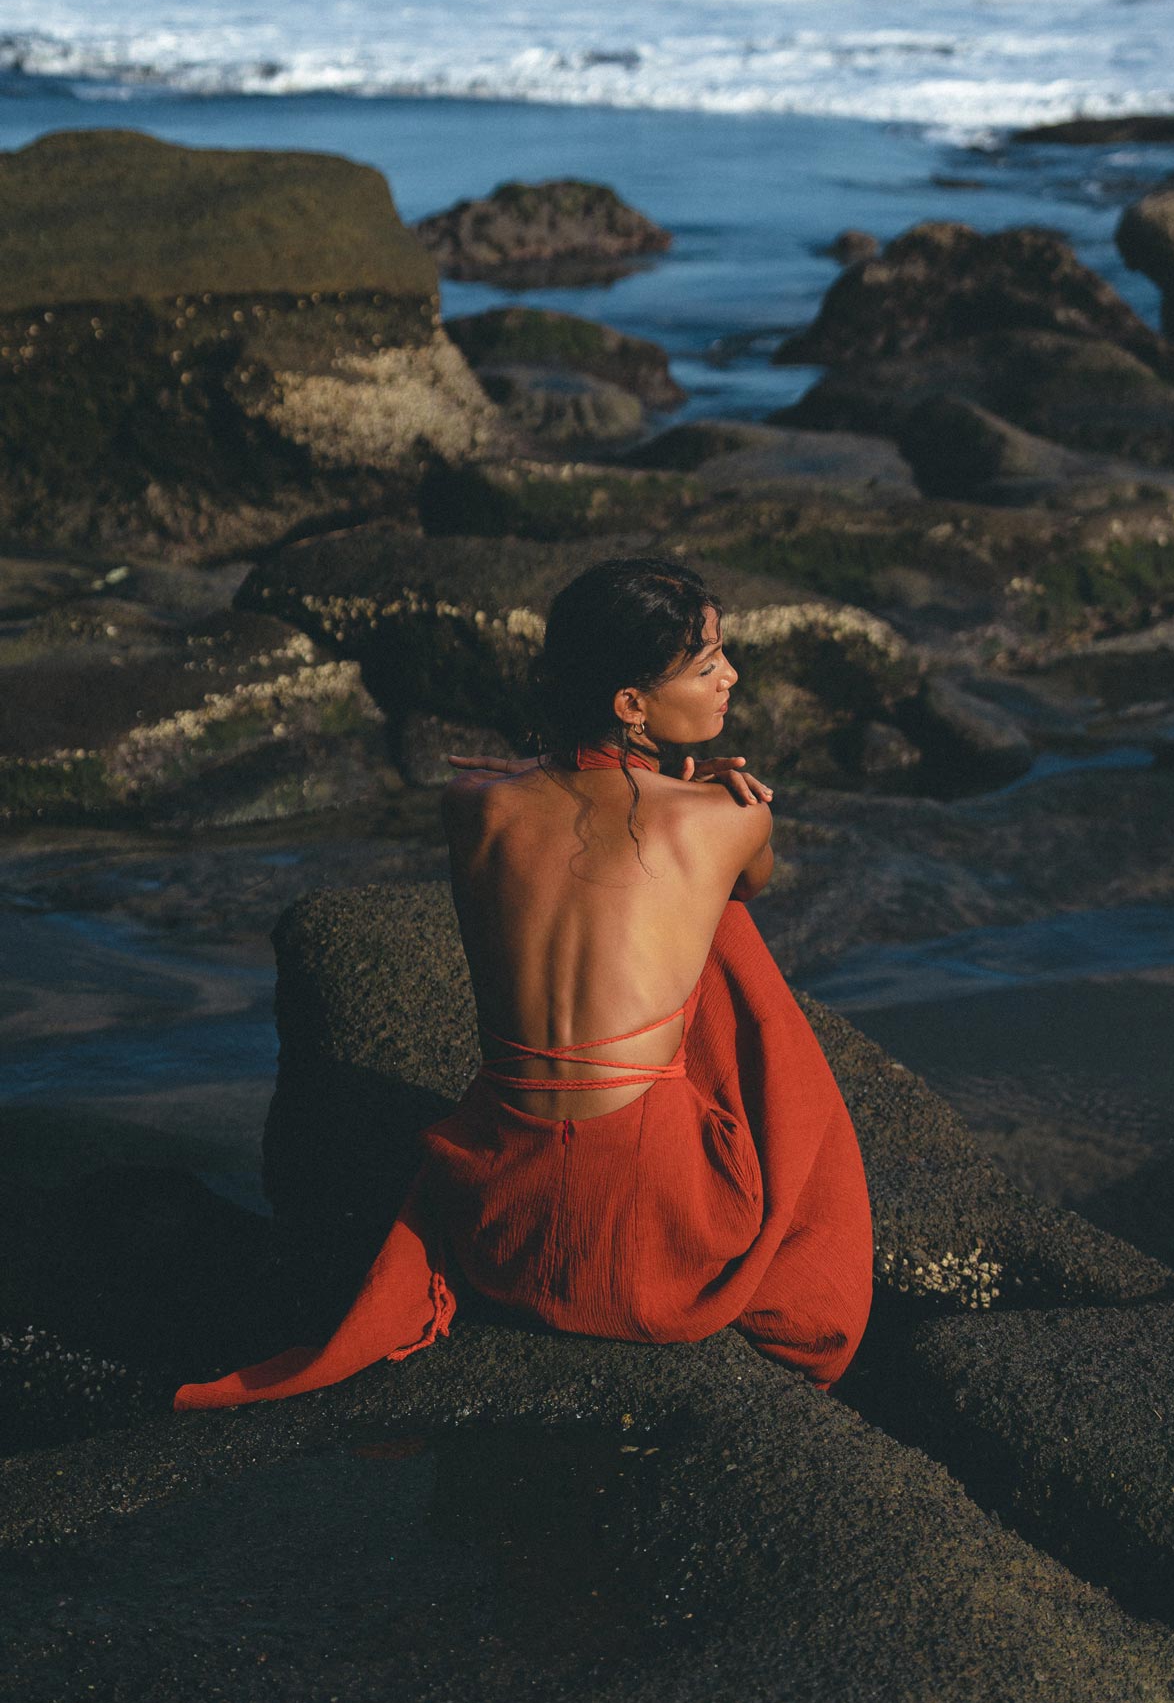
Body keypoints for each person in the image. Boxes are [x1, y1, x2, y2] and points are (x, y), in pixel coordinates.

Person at [173, 557, 873, 1410]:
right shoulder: (731, 816)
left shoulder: (474, 800)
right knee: (727, 933)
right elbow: (749, 882)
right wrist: (715, 793)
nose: (731, 676)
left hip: (499, 1226)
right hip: (656, 1245)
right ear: (630, 704)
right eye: (706, 664)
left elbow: (566, 810)